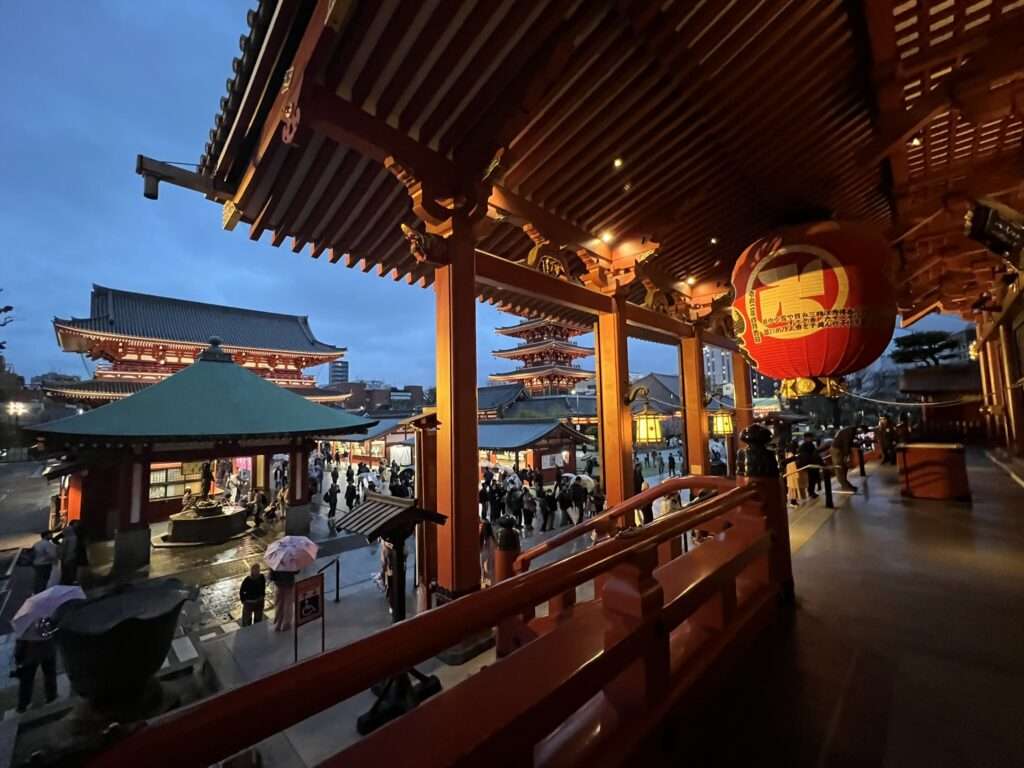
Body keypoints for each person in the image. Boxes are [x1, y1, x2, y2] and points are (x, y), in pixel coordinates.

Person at [14, 618, 58, 713]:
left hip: (29, 646)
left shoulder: (21, 615)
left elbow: (18, 631)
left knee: (27, 678)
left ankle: (22, 705)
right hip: (45, 643)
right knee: (49, 672)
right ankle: (51, 696)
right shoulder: (45, 611)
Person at [830, 426, 858, 492]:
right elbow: (846, 443)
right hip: (837, 450)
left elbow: (849, 443)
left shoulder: (847, 431)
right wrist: (846, 455)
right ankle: (844, 485)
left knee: (844, 467)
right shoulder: (848, 432)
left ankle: (846, 483)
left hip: (839, 449)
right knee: (840, 468)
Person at [797, 433, 820, 498]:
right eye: (810, 437)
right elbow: (806, 456)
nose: (811, 438)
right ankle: (811, 492)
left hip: (811, 464)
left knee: (812, 479)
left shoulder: (808, 445)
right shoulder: (806, 446)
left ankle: (811, 492)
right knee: (811, 479)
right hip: (810, 465)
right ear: (806, 438)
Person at [479, 521, 496, 587]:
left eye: (481, 527)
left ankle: (485, 584)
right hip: (487, 557)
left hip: (486, 557)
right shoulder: (490, 539)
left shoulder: (487, 539)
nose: (480, 528)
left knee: (486, 570)